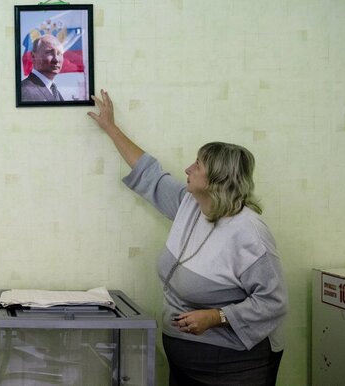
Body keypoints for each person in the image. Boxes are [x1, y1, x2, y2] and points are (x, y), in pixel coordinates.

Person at [87, 90, 288, 386]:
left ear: (218, 180)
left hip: (235, 366)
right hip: (185, 361)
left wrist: (217, 316)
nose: (188, 169)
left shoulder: (249, 232)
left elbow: (273, 302)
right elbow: (149, 173)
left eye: (198, 164)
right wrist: (111, 128)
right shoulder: (189, 205)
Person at [20, 35, 65, 102]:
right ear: (33, 56)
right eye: (49, 52)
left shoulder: (55, 92)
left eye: (59, 53)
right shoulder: (24, 90)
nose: (56, 60)